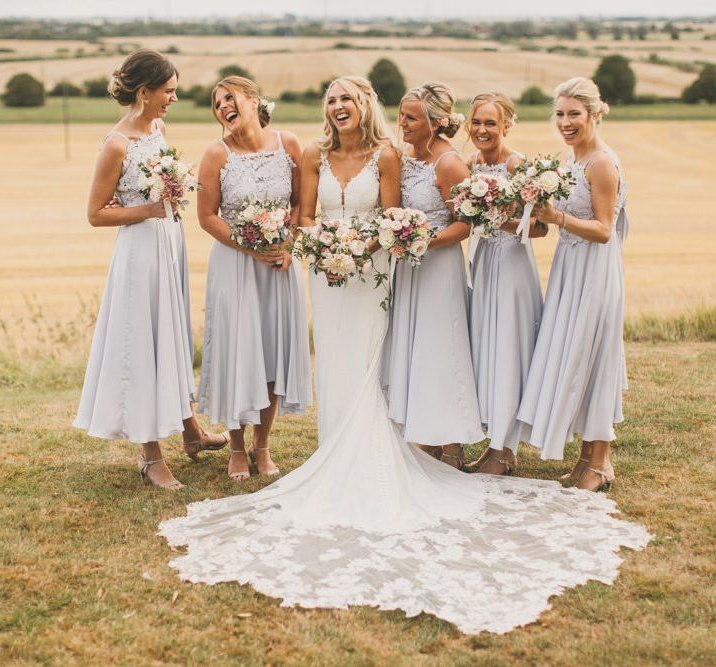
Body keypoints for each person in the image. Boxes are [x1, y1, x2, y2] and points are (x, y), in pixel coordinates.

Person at [159, 76, 649, 635]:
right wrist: (323, 244)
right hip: (330, 272)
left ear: (368, 107)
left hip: (377, 271)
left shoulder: (392, 156)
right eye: (331, 99)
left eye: (349, 99)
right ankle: (355, 448)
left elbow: (396, 220)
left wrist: (388, 243)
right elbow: (306, 213)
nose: (339, 107)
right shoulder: (318, 154)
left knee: (381, 356)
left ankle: (533, 450)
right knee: (348, 361)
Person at [73, 49, 227, 490]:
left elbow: (164, 188)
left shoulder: (159, 128)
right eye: (169, 91)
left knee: (171, 336)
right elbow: (96, 214)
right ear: (145, 92)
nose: (174, 98)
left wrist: (169, 199)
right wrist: (148, 208)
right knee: (143, 341)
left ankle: (190, 430)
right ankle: (151, 455)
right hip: (139, 252)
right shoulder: (115, 144)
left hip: (168, 243)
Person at [195, 76, 312, 481]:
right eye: (216, 103)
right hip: (236, 265)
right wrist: (251, 247)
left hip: (278, 265)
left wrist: (289, 244)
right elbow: (207, 217)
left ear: (254, 101)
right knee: (237, 352)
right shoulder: (216, 154)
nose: (223, 106)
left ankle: (263, 447)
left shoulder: (289, 143)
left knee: (271, 356)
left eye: (230, 98)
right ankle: (237, 448)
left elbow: (300, 203)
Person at [517, 77, 629, 492]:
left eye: (574, 114)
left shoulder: (600, 162)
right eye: (560, 114)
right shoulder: (568, 163)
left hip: (595, 271)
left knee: (595, 356)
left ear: (595, 114)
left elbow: (603, 230)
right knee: (575, 352)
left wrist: (555, 217)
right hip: (570, 267)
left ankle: (600, 464)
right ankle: (586, 459)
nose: (565, 122)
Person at [382, 82, 484, 468]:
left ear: (436, 122)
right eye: (402, 115)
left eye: (410, 117)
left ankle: (452, 444)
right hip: (410, 267)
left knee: (442, 347)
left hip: (439, 266)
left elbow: (465, 224)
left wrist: (425, 241)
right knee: (417, 346)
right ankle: (425, 433)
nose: (402, 123)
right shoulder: (406, 157)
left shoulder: (449, 164)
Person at [465, 93, 545, 476]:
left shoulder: (518, 166)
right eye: (476, 122)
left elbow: (542, 227)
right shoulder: (470, 164)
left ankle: (505, 450)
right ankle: (494, 444)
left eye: (490, 123)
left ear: (507, 125)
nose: (482, 130)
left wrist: (498, 220)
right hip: (482, 261)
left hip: (512, 262)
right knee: (487, 347)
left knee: (508, 347)